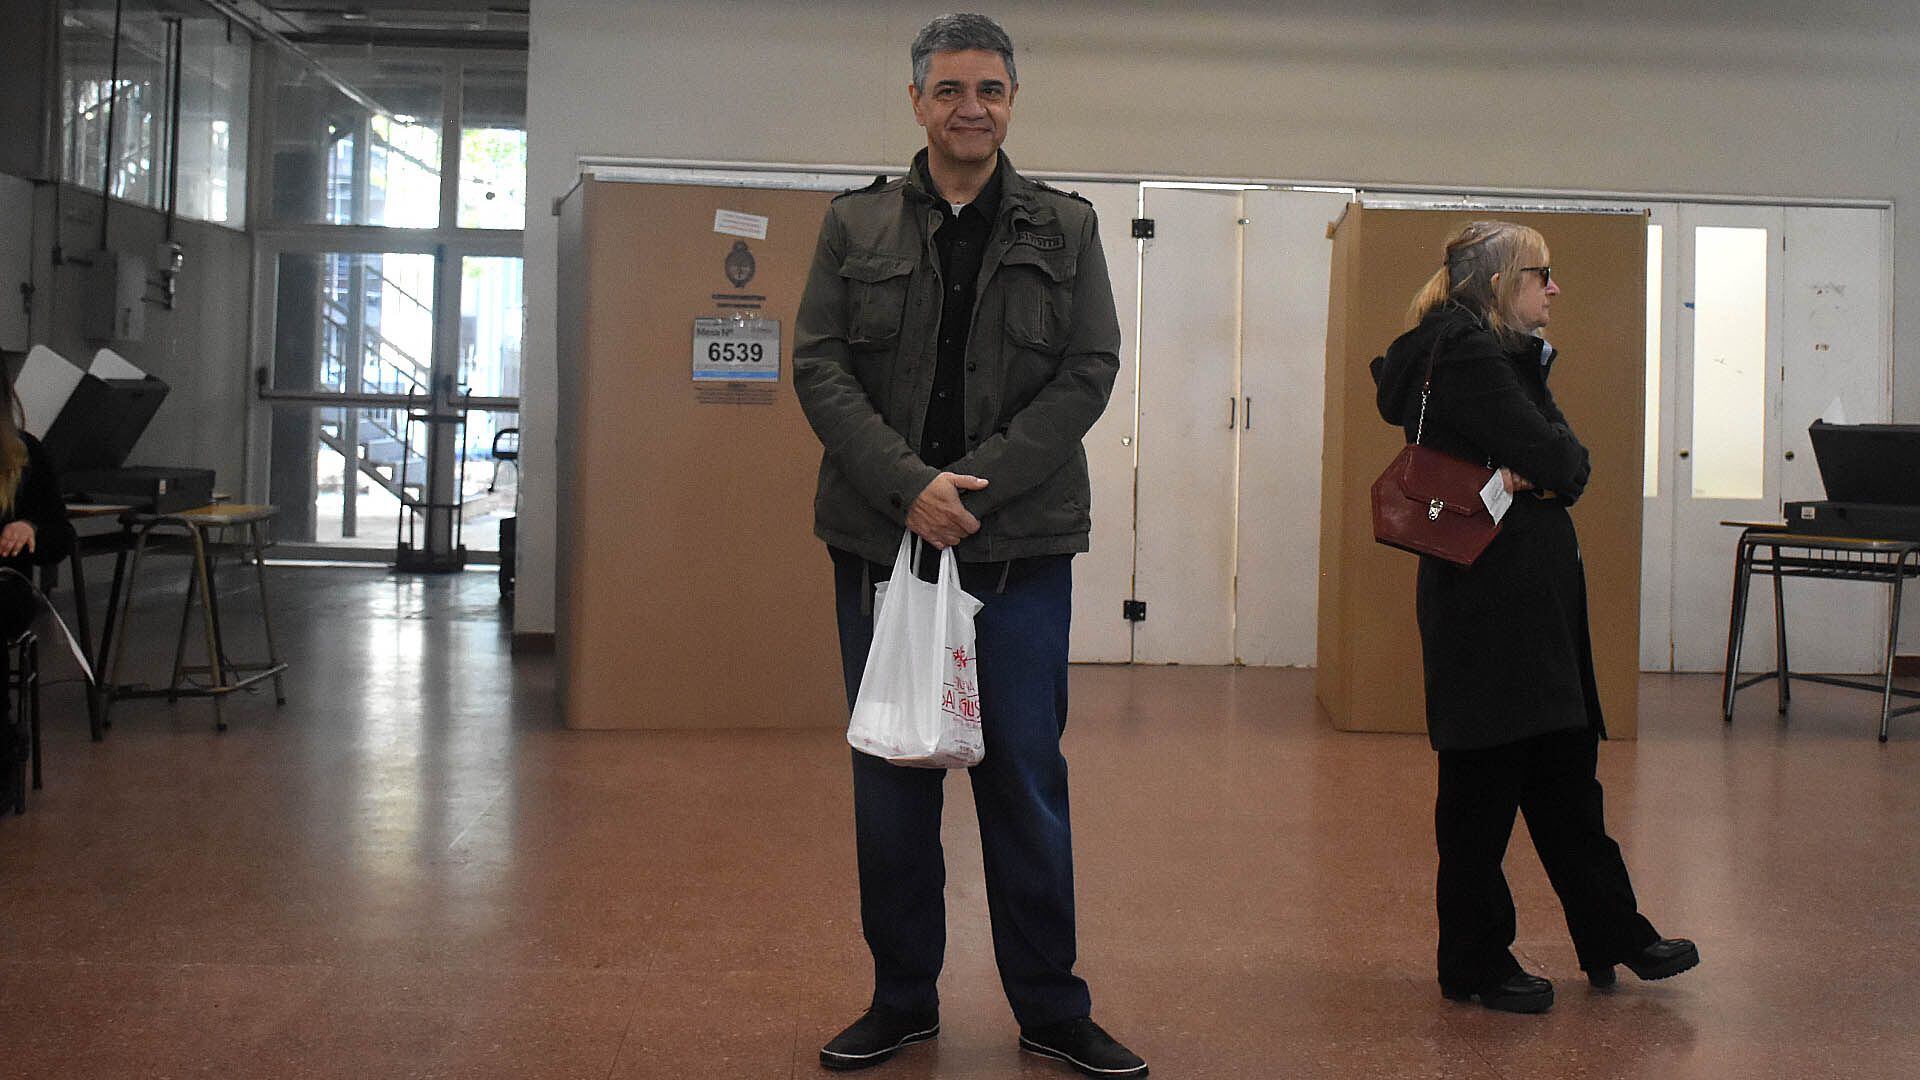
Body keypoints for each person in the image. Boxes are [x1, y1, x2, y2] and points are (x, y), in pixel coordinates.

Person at [792, 13, 1146, 1078]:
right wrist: (911, 489)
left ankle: (1050, 1006)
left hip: (1018, 549)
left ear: (1010, 101)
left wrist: (972, 490)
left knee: (1025, 782)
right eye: (950, 90)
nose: (971, 108)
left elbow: (1089, 369)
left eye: (990, 90)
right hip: (881, 550)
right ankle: (902, 1000)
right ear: (916, 102)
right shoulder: (855, 226)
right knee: (894, 777)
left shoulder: (1065, 228)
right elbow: (819, 367)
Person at [1369, 220, 1698, 1014]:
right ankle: (1475, 961)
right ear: (1496, 285)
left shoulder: (1497, 356)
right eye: (1539, 275)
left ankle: (1613, 931)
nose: (1554, 289)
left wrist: (1546, 458)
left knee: (1563, 779)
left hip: (1521, 600)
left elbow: (1557, 462)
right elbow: (1565, 464)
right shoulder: (1473, 356)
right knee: (1482, 793)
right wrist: (1543, 464)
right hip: (1493, 606)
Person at [1, 371, 72, 813]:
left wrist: (28, 527)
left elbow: (61, 536)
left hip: (6, 586)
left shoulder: (26, 454)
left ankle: (5, 747)